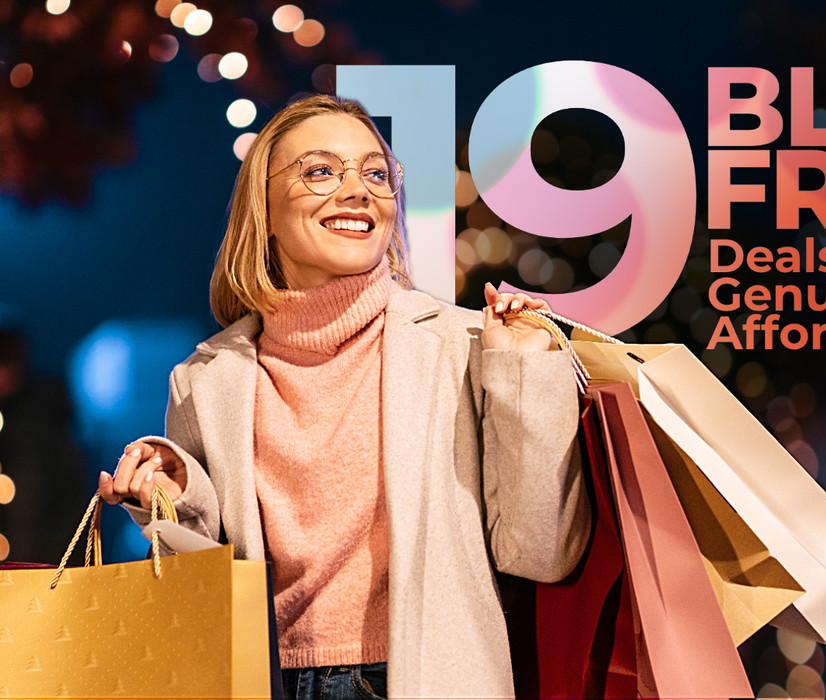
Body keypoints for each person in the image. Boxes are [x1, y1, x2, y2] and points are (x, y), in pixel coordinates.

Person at [97, 94, 590, 699]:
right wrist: (175, 498)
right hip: (262, 682)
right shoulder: (206, 378)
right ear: (264, 210)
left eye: (376, 174)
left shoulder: (465, 346)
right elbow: (206, 581)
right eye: (321, 170)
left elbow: (542, 552)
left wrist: (524, 371)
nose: (358, 190)